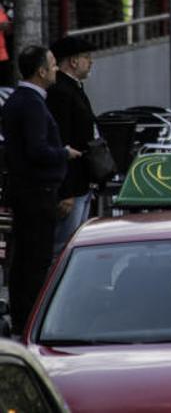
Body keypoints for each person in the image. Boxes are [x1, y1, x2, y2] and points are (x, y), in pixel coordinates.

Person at [1, 46, 80, 330]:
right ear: (41, 71)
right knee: (34, 260)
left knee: (26, 260)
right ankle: (31, 321)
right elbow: (36, 150)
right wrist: (63, 153)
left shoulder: (22, 101)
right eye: (52, 65)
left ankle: (25, 318)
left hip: (30, 192)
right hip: (36, 194)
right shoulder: (30, 104)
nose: (57, 69)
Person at [47, 36, 98, 256]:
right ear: (73, 61)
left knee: (76, 243)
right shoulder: (60, 92)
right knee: (63, 247)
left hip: (82, 182)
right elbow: (61, 140)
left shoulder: (75, 89)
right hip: (71, 185)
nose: (91, 62)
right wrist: (65, 191)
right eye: (87, 57)